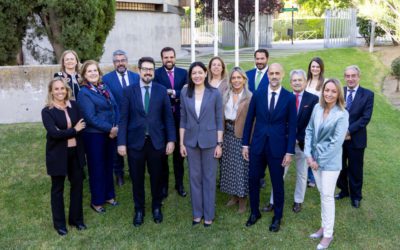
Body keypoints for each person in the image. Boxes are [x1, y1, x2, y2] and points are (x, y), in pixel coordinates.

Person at [118, 57, 176, 227]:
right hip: (135, 143)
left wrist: (171, 140)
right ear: (139, 70)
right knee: (137, 179)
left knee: (157, 178)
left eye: (151, 69)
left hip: (157, 143)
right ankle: (139, 210)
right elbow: (123, 119)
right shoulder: (129, 91)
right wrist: (121, 143)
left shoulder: (161, 90)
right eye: (145, 69)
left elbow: (168, 118)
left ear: (153, 71)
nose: (148, 72)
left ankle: (157, 207)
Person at [242, 63, 297, 232]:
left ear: (282, 75)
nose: (274, 76)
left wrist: (289, 151)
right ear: (267, 76)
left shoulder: (289, 97)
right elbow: (249, 120)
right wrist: (245, 144)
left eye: (277, 73)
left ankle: (277, 217)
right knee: (253, 179)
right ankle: (255, 212)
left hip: (277, 148)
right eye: (271, 73)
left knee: (277, 183)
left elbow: (292, 126)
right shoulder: (257, 95)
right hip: (257, 146)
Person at [304, 78, 349, 249]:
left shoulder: (342, 114)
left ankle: (328, 234)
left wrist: (318, 161)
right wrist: (309, 156)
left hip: (329, 163)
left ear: (338, 94)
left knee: (328, 196)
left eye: (333, 91)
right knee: (323, 194)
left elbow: (336, 143)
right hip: (313, 159)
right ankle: (324, 225)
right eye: (327, 90)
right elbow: (309, 131)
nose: (329, 94)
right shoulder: (317, 107)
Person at [180, 61, 223, 227]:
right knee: (194, 178)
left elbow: (219, 119)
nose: (197, 75)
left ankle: (209, 214)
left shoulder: (215, 93)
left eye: (200, 72)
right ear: (190, 76)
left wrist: (219, 144)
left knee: (209, 178)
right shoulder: (185, 92)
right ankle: (197, 213)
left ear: (206, 73)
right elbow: (182, 119)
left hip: (211, 141)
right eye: (194, 73)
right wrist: (182, 143)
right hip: (190, 142)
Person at [41, 77, 87, 236]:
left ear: (67, 90)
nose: (60, 91)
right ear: (51, 92)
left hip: (76, 152)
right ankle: (59, 224)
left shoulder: (74, 105)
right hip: (58, 154)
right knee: (57, 189)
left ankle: (76, 219)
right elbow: (54, 134)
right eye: (56, 89)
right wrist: (74, 130)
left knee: (77, 186)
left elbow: (83, 125)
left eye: (63, 88)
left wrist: (69, 131)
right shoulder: (47, 111)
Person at [77, 60, 119, 213]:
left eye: (95, 70)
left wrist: (116, 125)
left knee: (109, 165)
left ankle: (109, 195)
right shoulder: (84, 93)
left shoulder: (103, 87)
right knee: (97, 168)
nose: (93, 73)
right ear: (84, 75)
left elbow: (115, 106)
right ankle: (97, 201)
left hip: (110, 134)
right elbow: (90, 117)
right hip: (95, 136)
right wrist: (111, 128)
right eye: (89, 71)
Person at [336, 65, 374, 208]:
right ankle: (344, 190)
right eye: (347, 76)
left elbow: (365, 118)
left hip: (356, 139)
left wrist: (348, 131)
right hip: (339, 139)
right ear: (344, 77)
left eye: (353, 76)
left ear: (359, 77)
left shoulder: (368, 95)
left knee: (356, 169)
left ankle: (356, 196)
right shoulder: (340, 92)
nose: (350, 79)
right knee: (340, 167)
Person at [154, 47, 188, 198]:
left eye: (171, 57)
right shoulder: (156, 74)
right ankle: (163, 186)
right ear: (162, 59)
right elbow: (157, 93)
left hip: (180, 118)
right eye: (166, 57)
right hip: (163, 119)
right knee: (162, 155)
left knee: (179, 156)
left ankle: (179, 184)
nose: (169, 60)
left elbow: (188, 91)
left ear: (175, 58)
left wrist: (174, 93)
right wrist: (172, 95)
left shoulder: (183, 73)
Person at [103, 50, 140, 187]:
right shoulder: (106, 79)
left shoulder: (136, 77)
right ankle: (119, 174)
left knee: (134, 147)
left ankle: (133, 171)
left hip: (135, 119)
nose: (120, 63)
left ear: (127, 61)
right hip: (117, 119)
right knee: (117, 148)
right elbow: (108, 101)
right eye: (117, 61)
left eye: (123, 60)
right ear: (114, 63)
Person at [220, 67, 252, 214]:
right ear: (230, 80)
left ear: (244, 80)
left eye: (239, 77)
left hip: (241, 136)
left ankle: (243, 201)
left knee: (241, 170)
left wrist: (248, 142)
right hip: (227, 133)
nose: (236, 80)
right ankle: (233, 196)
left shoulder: (249, 97)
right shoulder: (225, 95)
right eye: (234, 78)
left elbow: (253, 121)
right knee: (228, 168)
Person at [305, 57, 325, 187]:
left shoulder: (324, 83)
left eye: (317, 66)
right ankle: (306, 173)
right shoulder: (306, 82)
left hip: (317, 117)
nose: (315, 69)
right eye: (313, 66)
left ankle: (312, 176)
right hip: (305, 117)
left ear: (321, 68)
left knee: (314, 145)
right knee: (306, 144)